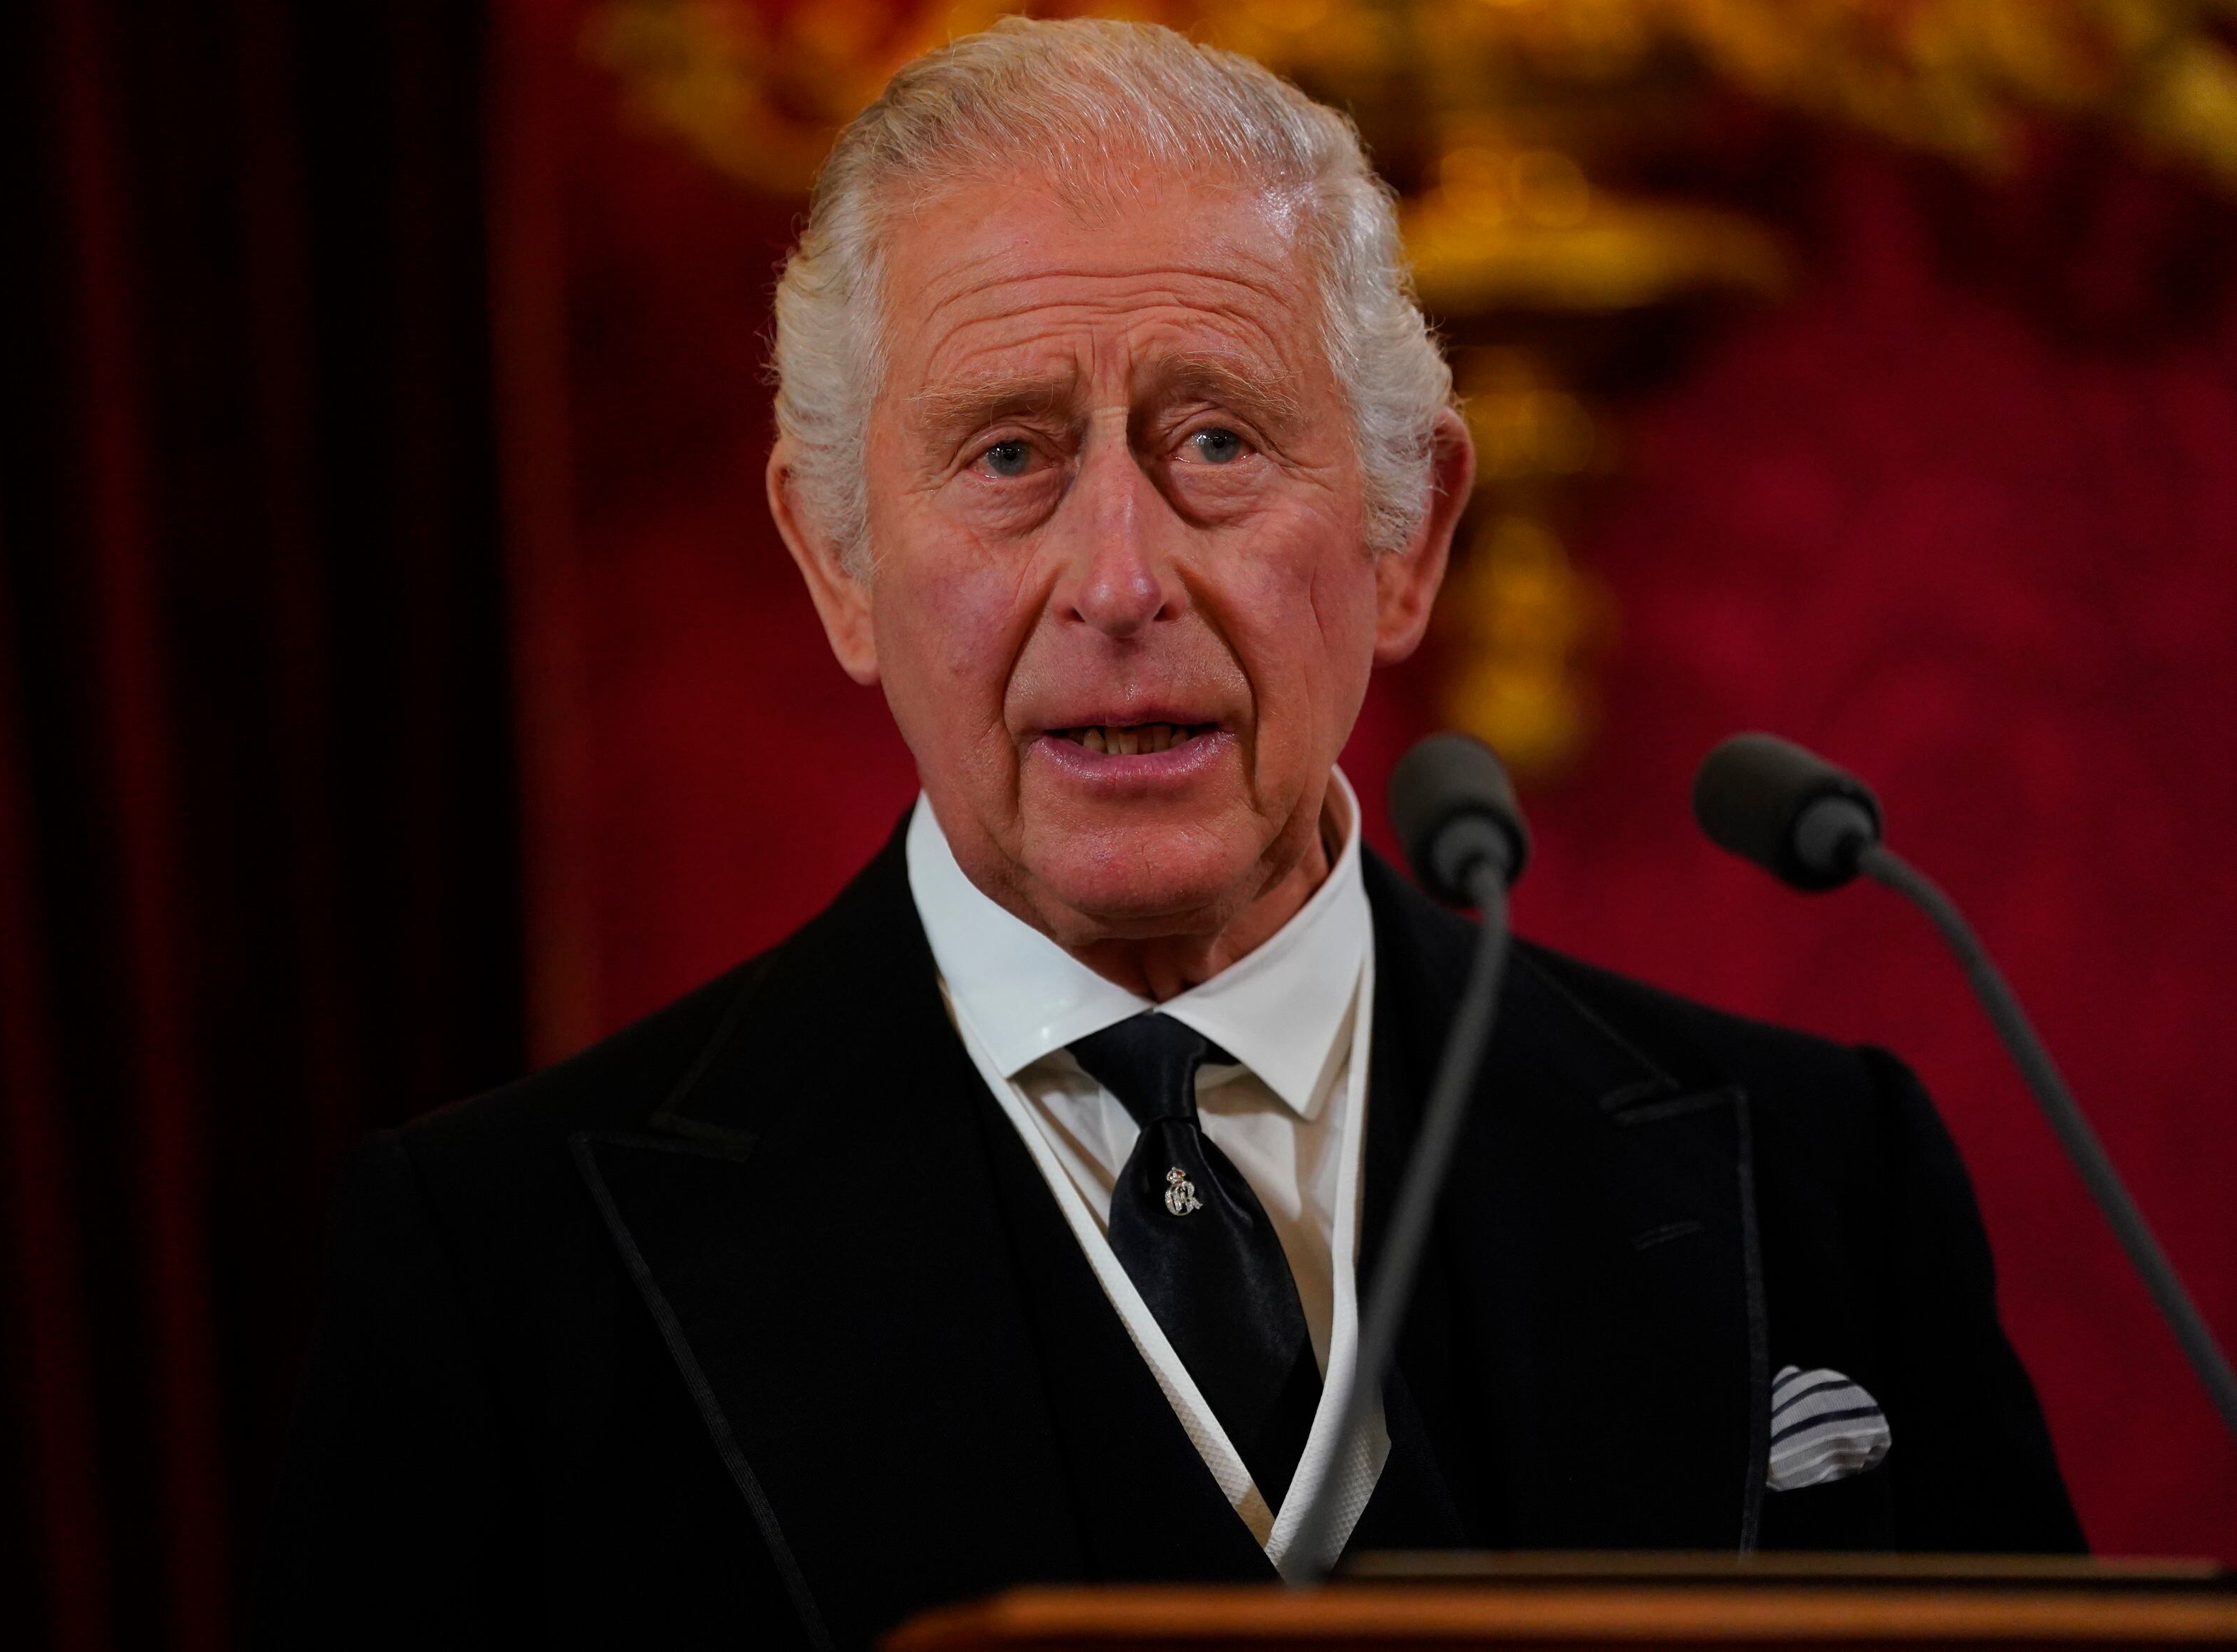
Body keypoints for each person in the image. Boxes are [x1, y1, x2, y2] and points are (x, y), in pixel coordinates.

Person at [250, 18, 2080, 1649]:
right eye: (1005, 456)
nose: (1118, 581)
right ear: (836, 560)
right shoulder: (503, 1268)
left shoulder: (1818, 1172)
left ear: (1404, 536)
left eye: (1215, 442)